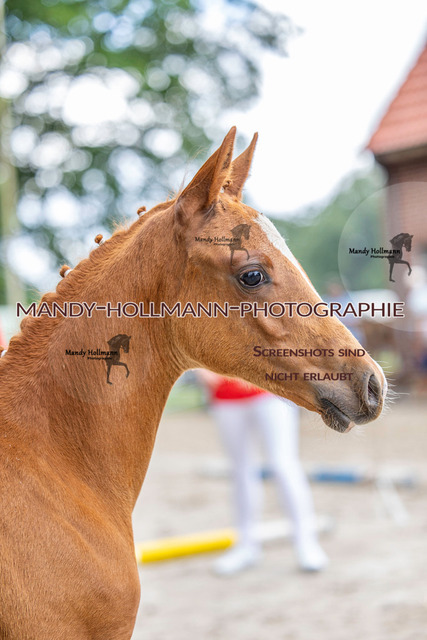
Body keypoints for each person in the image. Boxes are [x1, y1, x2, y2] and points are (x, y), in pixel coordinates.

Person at [198, 371, 328, 576]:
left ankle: (306, 542)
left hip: (270, 390)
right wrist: (202, 371)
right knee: (240, 471)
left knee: (283, 465)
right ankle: (246, 545)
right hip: (226, 396)